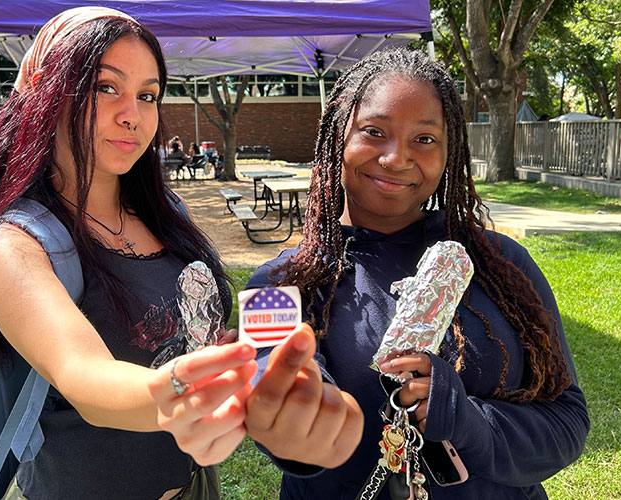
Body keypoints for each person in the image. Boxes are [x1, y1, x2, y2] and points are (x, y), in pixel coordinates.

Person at [0, 7, 255, 499]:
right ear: (46, 92)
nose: (133, 114)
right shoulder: (14, 244)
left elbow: (182, 334)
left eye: (147, 95)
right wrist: (189, 388)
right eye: (106, 87)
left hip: (194, 482)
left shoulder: (166, 211)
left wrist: (223, 357)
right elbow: (87, 381)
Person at [243, 48, 589, 499]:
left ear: (450, 154)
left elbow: (566, 422)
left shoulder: (503, 265)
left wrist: (467, 419)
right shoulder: (275, 284)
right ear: (337, 138)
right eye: (374, 132)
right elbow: (281, 404)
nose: (396, 158)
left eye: (424, 139)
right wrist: (298, 413)